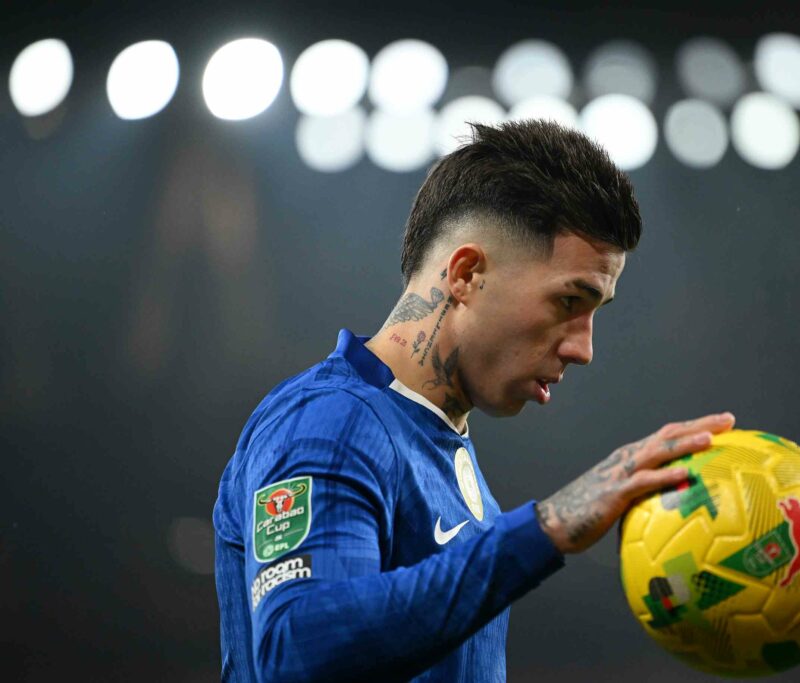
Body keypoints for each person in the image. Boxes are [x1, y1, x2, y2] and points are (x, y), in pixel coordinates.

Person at [213, 119, 736, 683]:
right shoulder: (330, 422)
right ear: (466, 275)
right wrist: (547, 529)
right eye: (568, 301)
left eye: (595, 313)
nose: (584, 348)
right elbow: (298, 652)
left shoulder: (436, 439)